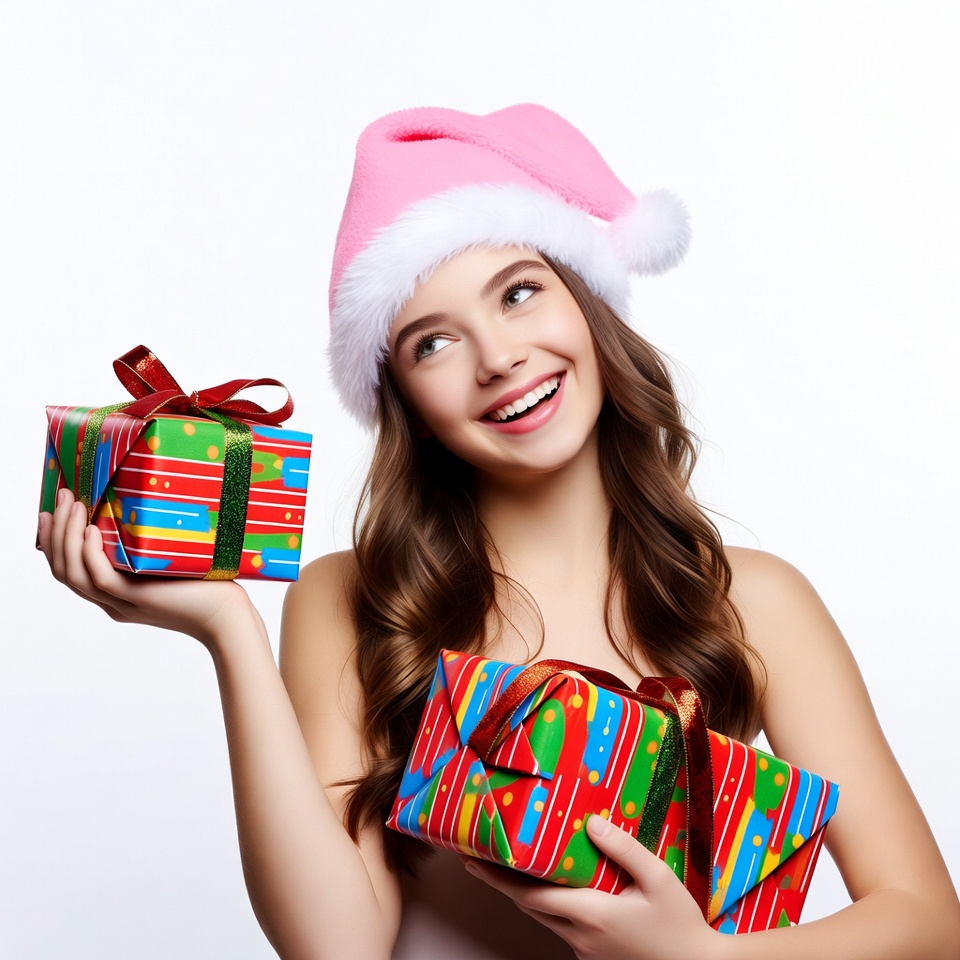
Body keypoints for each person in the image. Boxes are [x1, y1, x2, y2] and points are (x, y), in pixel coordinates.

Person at [39, 105, 960, 960]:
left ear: (588, 303)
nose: (499, 357)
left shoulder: (753, 599)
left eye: (519, 293)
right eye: (432, 342)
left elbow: (926, 919)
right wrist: (228, 633)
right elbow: (337, 948)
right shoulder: (350, 600)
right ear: (401, 397)